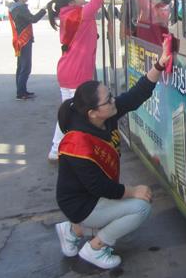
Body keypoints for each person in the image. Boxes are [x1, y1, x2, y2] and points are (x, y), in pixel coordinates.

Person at [54, 46, 171, 269]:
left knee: (131, 203)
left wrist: (159, 65)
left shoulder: (104, 116)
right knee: (141, 207)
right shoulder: (78, 142)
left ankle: (73, 230)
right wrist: (133, 191)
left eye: (110, 95)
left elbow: (135, 96)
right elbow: (99, 187)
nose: (113, 101)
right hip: (81, 204)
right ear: (92, 113)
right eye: (108, 100)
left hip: (93, 197)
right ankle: (95, 249)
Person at [45, 0, 120, 161]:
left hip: (69, 72)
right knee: (74, 115)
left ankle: (58, 149)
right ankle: (61, 150)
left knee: (70, 113)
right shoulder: (81, 15)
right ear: (71, 3)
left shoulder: (70, 15)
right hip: (75, 74)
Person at [8, 0, 46, 100]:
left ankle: (21, 90)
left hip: (19, 39)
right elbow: (33, 19)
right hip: (24, 40)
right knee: (25, 67)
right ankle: (20, 93)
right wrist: (43, 10)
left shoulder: (16, 8)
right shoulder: (20, 8)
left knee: (21, 67)